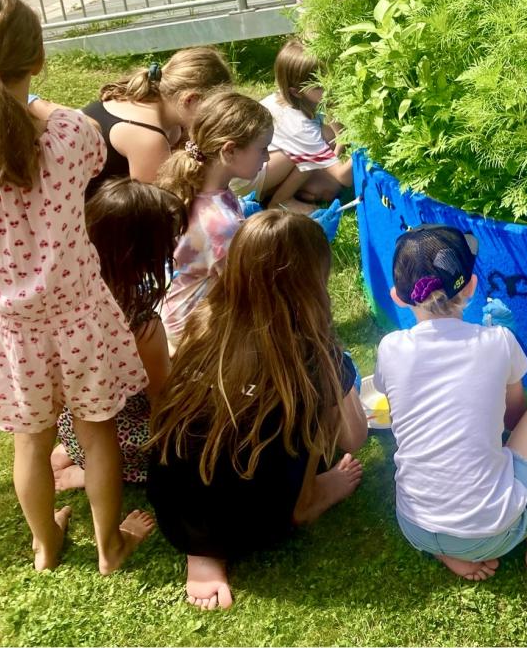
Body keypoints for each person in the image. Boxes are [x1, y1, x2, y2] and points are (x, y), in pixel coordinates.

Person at [0, 0, 154, 573]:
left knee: (32, 442)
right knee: (97, 435)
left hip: (10, 330)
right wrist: (35, 110)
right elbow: (76, 168)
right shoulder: (73, 134)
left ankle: (45, 545)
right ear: (38, 62)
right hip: (82, 314)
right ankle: (110, 548)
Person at [146, 211, 368, 610]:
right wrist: (343, 370)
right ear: (312, 281)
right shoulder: (313, 355)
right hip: (256, 523)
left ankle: (204, 549)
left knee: (238, 429)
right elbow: (354, 438)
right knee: (308, 414)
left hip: (173, 508)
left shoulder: (203, 323)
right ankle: (310, 499)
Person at [377, 225, 527, 582]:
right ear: (472, 287)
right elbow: (516, 419)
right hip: (492, 531)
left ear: (398, 298)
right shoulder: (497, 341)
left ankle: (446, 550)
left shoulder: (389, 349)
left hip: (415, 525)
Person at [52, 178, 187, 489]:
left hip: (76, 423)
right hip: (118, 443)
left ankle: (70, 453)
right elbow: (162, 402)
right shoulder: (141, 323)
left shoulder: (67, 293)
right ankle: (91, 473)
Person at [156, 91, 273, 349]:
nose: (267, 158)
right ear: (229, 151)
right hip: (193, 334)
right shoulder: (222, 226)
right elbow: (246, 295)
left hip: (170, 314)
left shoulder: (195, 188)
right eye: (263, 149)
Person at [64, 47, 233, 199]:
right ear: (190, 100)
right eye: (212, 111)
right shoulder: (149, 138)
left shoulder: (152, 100)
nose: (214, 118)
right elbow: (159, 210)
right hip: (83, 216)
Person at [258, 38, 354, 207]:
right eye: (319, 86)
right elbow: (344, 177)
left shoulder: (286, 97)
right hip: (251, 177)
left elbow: (340, 137)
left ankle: (293, 192)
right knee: (331, 186)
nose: (328, 87)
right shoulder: (300, 127)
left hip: (262, 164)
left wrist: (337, 147)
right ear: (297, 91)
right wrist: (366, 145)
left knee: (324, 144)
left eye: (329, 77)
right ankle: (278, 202)